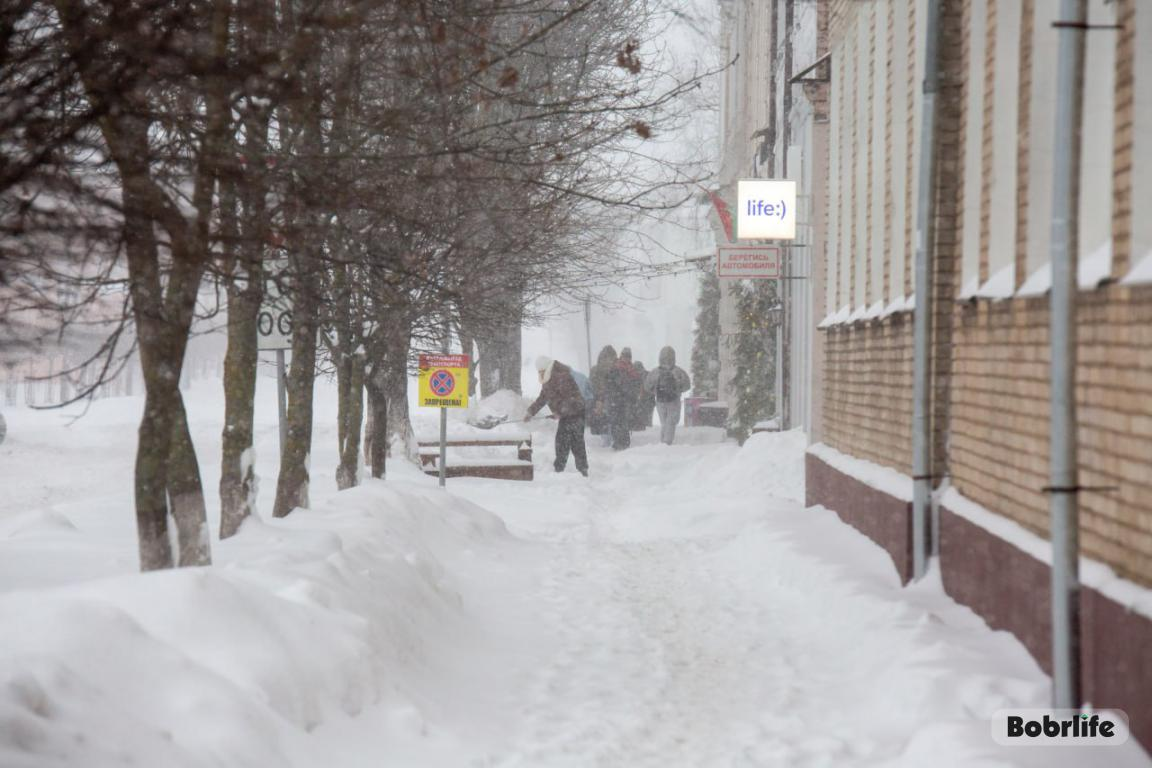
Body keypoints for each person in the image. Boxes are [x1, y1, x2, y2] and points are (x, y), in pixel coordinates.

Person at [524, 356, 589, 476]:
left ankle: (570, 470)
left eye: (541, 371)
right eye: (539, 371)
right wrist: (530, 412)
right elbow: (542, 398)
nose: (540, 373)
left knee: (572, 442)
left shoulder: (561, 377)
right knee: (566, 441)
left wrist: (559, 412)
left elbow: (571, 399)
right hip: (567, 414)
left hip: (576, 412)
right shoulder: (549, 379)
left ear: (547, 368)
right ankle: (573, 469)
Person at [644, 345, 691, 445]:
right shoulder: (678, 371)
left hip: (660, 400)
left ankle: (664, 441)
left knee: (664, 422)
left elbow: (647, 386)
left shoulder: (655, 372)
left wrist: (655, 391)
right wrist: (678, 389)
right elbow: (687, 385)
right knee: (671, 421)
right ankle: (666, 442)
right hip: (674, 400)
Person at [605, 347, 640, 450]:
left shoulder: (631, 370)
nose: (627, 358)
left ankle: (624, 442)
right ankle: (618, 442)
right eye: (625, 356)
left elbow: (635, 384)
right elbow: (611, 383)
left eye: (628, 356)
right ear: (621, 356)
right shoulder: (616, 368)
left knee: (623, 421)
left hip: (623, 400)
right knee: (617, 421)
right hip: (616, 399)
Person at [589, 345, 617, 447]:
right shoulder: (613, 368)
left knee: (603, 416)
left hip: (601, 396)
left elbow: (592, 384)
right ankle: (609, 438)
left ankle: (606, 439)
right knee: (608, 416)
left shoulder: (595, 369)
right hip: (607, 396)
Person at [630, 360, 654, 430]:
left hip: (644, 400)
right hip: (648, 401)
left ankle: (641, 427)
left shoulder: (634, 376)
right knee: (646, 418)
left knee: (642, 417)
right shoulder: (648, 374)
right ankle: (644, 427)